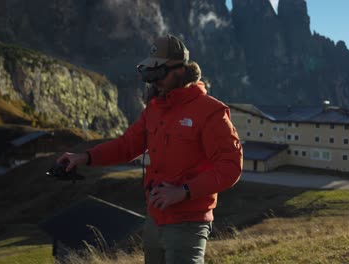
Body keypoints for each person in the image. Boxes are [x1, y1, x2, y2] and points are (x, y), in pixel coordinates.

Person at [57, 34, 243, 264]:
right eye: (151, 73)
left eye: (160, 72)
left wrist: (183, 191)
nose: (155, 81)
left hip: (188, 223)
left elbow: (230, 167)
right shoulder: (155, 109)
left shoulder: (211, 112)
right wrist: (84, 157)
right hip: (155, 220)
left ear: (180, 69)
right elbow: (126, 146)